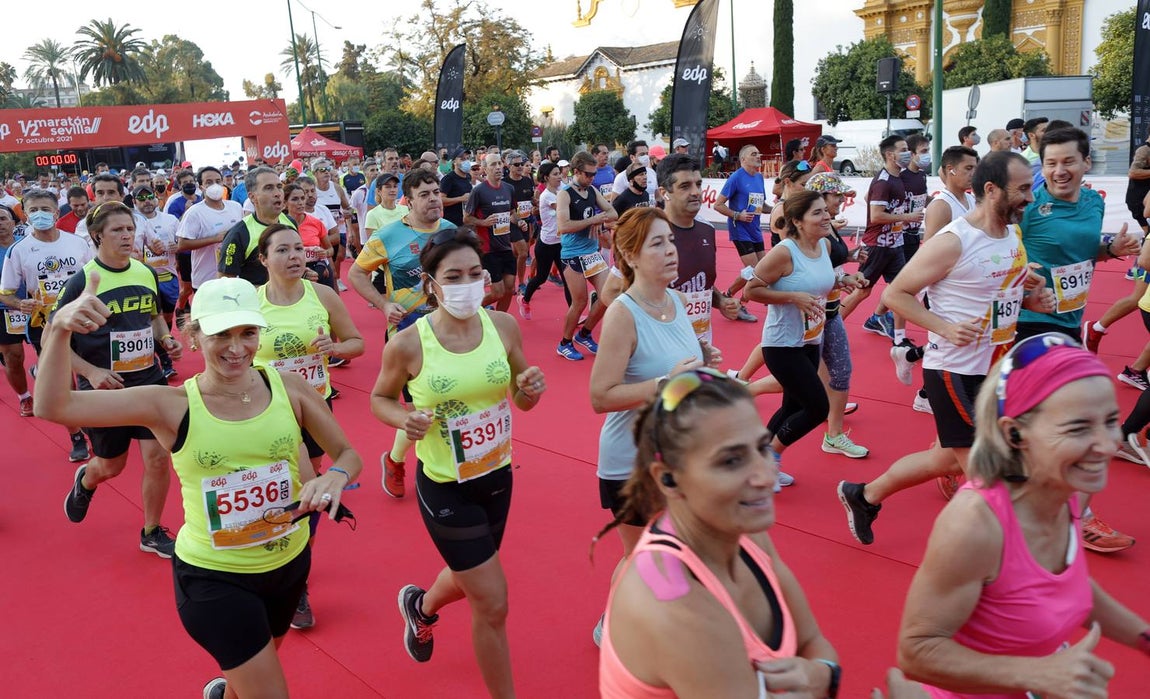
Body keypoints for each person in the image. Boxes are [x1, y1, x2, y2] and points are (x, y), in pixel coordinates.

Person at [36, 274, 362, 699]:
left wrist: (333, 476)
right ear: (193, 335)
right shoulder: (168, 404)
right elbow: (52, 405)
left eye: (247, 333)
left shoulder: (290, 388)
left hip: (289, 565)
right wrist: (60, 328)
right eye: (220, 334)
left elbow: (348, 455)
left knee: (246, 684)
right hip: (215, 579)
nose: (236, 347)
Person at [897, 335, 1150, 698]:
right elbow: (917, 651)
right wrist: (1037, 674)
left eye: (1111, 421)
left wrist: (1145, 639)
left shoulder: (1065, 490)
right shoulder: (975, 524)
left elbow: (1068, 587)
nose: (1107, 443)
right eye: (1078, 428)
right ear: (1014, 433)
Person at [837, 152, 1054, 546]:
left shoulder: (1011, 234)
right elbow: (896, 292)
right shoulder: (954, 240)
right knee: (988, 480)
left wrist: (1030, 300)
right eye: (1022, 189)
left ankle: (863, 495)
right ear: (991, 190)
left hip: (995, 370)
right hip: (953, 371)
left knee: (942, 459)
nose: (1031, 197)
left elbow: (1001, 293)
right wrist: (945, 327)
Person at [369, 228, 545, 698]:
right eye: (453, 276)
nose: (467, 284)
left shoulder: (503, 327)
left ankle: (421, 607)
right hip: (445, 484)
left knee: (472, 575)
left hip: (497, 475)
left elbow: (521, 399)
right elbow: (380, 399)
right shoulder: (409, 343)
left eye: (474, 274)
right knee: (493, 603)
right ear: (431, 284)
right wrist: (404, 420)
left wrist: (529, 388)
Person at [596, 369, 841, 699]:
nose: (766, 476)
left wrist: (822, 675)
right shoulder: (674, 606)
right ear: (668, 478)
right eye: (731, 461)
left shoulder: (743, 535)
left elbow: (813, 641)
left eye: (762, 448)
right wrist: (823, 676)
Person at [589, 206, 719, 644]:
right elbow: (600, 396)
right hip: (631, 463)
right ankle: (612, 627)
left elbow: (677, 361)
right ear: (628, 253)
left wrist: (704, 357)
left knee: (678, 553)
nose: (671, 250)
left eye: (671, 240)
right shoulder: (622, 313)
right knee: (640, 557)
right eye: (657, 243)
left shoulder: (677, 299)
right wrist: (665, 383)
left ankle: (664, 629)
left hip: (677, 455)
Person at [54, 200, 183, 556]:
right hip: (104, 389)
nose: (127, 236)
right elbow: (54, 341)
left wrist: (165, 339)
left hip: (149, 380)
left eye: (130, 229)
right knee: (112, 465)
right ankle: (86, 480)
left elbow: (154, 316)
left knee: (158, 457)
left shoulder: (144, 271)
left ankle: (152, 531)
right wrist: (92, 372)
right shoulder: (83, 281)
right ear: (97, 236)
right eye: (118, 230)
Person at [255, 222, 364, 629]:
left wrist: (335, 348)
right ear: (263, 259)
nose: (295, 257)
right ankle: (288, 575)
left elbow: (358, 342)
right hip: (266, 412)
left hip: (315, 410)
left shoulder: (323, 296)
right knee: (295, 489)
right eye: (282, 250)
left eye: (299, 249)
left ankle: (294, 573)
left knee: (309, 490)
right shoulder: (249, 302)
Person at [349, 168, 455, 498]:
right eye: (425, 194)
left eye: (436, 192)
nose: (434, 199)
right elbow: (355, 274)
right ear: (407, 201)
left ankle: (448, 462)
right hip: (407, 334)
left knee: (448, 401)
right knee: (421, 409)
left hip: (449, 331)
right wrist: (382, 305)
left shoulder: (452, 231)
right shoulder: (389, 235)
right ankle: (396, 461)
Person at [746, 190, 862, 486]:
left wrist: (843, 280)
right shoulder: (785, 251)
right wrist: (791, 297)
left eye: (826, 210)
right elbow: (751, 291)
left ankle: (758, 464)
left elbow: (819, 278)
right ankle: (769, 459)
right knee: (816, 408)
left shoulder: (822, 245)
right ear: (797, 221)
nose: (827, 216)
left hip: (811, 339)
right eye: (818, 213)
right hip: (782, 344)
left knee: (792, 407)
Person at [0, 188, 93, 460]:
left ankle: (91, 420)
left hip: (82, 317)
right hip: (46, 325)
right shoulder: (19, 250)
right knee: (65, 383)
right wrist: (20, 304)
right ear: (25, 216)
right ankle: (76, 436)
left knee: (88, 375)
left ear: (56, 212)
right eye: (33, 210)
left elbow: (93, 277)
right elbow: (5, 292)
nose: (40, 215)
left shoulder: (77, 243)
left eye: (45, 209)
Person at [892, 146, 980, 413]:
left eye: (976, 168)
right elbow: (929, 251)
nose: (973, 174)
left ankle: (909, 358)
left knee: (954, 342)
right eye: (968, 168)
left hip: (965, 283)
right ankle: (926, 394)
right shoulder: (942, 206)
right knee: (948, 342)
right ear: (950, 170)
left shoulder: (971, 200)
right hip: (944, 287)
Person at [804, 173, 871, 459]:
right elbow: (809, 276)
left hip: (830, 313)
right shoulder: (811, 234)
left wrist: (851, 257)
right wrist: (844, 279)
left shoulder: (829, 227)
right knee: (798, 381)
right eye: (837, 196)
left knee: (840, 372)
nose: (842, 200)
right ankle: (746, 390)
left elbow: (831, 265)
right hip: (811, 316)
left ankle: (834, 435)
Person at [840, 135, 921, 341]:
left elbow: (870, 199)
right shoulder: (884, 181)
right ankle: (830, 331)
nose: (908, 154)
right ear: (890, 155)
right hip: (876, 246)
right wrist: (906, 216)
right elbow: (876, 216)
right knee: (862, 292)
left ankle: (896, 334)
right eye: (903, 149)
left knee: (902, 291)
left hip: (895, 244)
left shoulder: (897, 177)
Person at [556, 151, 618, 360]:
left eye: (594, 174)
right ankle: (564, 343)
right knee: (580, 302)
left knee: (608, 295)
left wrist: (599, 220)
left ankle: (584, 334)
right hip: (572, 254)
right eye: (588, 174)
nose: (592, 178)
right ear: (576, 172)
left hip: (591, 253)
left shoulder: (591, 190)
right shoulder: (565, 194)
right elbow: (563, 226)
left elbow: (613, 213)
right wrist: (593, 221)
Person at [464, 153, 527, 312]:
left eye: (499, 163)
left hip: (506, 246)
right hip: (488, 249)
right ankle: (470, 311)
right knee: (497, 292)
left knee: (509, 289)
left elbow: (512, 211)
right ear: (485, 169)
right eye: (493, 164)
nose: (498, 167)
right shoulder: (478, 191)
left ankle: (500, 320)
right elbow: (466, 218)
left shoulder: (509, 188)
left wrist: (519, 221)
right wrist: (483, 223)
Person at [218, 167, 297, 287]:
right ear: (252, 197)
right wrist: (267, 292)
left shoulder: (290, 222)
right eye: (269, 188)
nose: (277, 193)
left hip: (293, 299)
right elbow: (225, 281)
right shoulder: (239, 234)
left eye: (279, 187)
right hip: (257, 303)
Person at [714, 145, 766, 322]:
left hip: (755, 230)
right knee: (754, 271)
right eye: (754, 154)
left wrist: (780, 210)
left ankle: (728, 294)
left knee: (763, 269)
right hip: (740, 230)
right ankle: (738, 302)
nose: (758, 156)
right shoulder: (736, 178)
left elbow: (761, 206)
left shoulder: (759, 177)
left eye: (758, 153)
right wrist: (738, 215)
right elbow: (718, 205)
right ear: (743, 159)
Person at [519, 162, 566, 320]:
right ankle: (525, 300)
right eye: (555, 174)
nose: (559, 176)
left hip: (561, 243)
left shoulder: (562, 189)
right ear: (546, 177)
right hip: (546, 244)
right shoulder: (547, 196)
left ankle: (574, 312)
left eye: (559, 173)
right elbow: (563, 207)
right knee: (541, 277)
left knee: (567, 278)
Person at [0, 204, 31, 416]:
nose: (0, 224)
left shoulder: (27, 245)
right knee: (13, 357)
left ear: (14, 222)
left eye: (3, 219)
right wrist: (14, 302)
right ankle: (24, 397)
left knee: (49, 352)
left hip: (34, 308)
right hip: (4, 310)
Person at [283, 183, 335, 290]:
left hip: (318, 270)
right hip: (292, 272)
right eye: (295, 199)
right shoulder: (280, 225)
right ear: (285, 203)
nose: (300, 203)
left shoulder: (315, 222)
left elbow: (330, 249)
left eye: (302, 198)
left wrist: (325, 253)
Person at [363, 173, 408, 240]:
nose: (392, 190)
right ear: (379, 191)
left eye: (395, 186)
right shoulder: (372, 215)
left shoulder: (406, 210)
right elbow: (372, 246)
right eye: (388, 187)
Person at [439, 148, 474, 227]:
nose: (466, 162)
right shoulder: (448, 179)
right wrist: (460, 198)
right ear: (454, 162)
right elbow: (441, 200)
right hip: (452, 223)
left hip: (466, 223)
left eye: (468, 159)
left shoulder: (468, 177)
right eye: (462, 159)